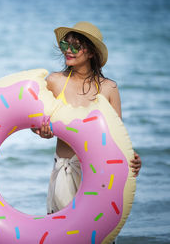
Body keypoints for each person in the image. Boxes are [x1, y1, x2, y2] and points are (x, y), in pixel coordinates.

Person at [31, 22, 142, 215]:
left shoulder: (109, 88)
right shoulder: (55, 81)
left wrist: (131, 159)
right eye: (66, 45)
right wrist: (42, 131)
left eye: (76, 46)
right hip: (65, 170)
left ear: (91, 53)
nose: (68, 50)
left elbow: (117, 137)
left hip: (99, 173)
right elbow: (34, 121)